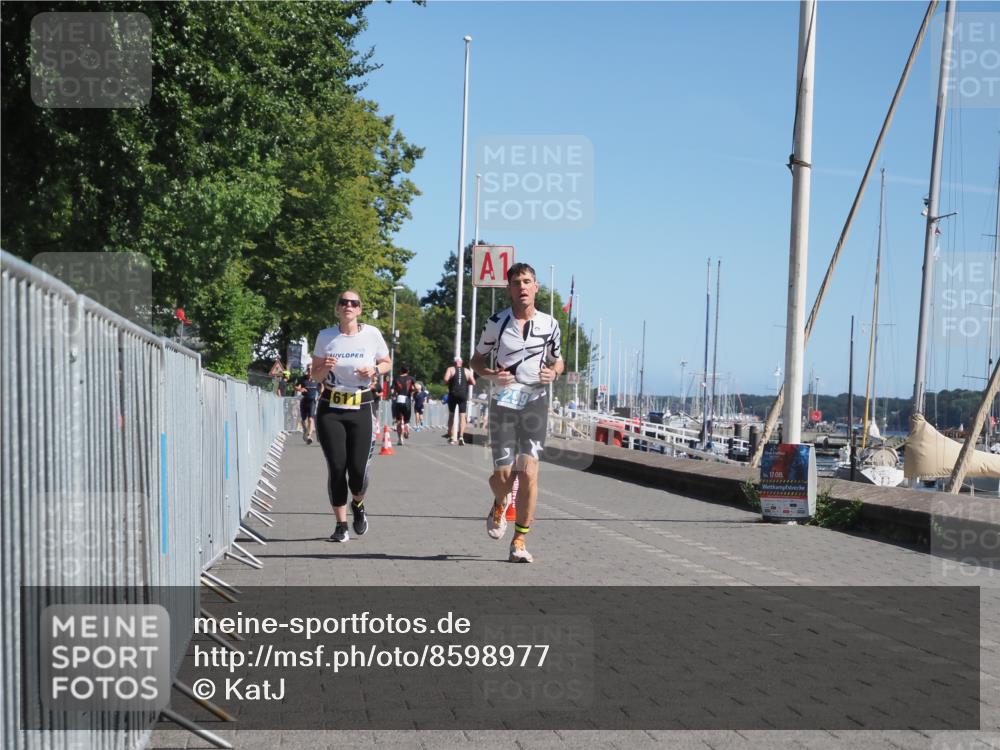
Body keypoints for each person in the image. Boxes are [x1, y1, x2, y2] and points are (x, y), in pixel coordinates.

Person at [470, 262, 564, 563]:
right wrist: (491, 375)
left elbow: (557, 361)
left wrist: (554, 373)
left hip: (535, 402)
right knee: (504, 476)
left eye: (527, 281)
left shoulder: (550, 325)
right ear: (509, 289)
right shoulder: (496, 323)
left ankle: (519, 540)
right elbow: (476, 361)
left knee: (530, 474)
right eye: (516, 282)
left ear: (536, 287)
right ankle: (500, 502)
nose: (522, 287)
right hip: (504, 403)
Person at [311, 290, 391, 543]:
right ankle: (340, 525)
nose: (348, 306)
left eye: (353, 303)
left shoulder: (372, 334)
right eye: (343, 302)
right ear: (337, 308)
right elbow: (315, 376)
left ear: (359, 309)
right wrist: (325, 367)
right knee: (337, 468)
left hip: (361, 407)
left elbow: (387, 362)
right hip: (330, 408)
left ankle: (358, 503)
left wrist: (375, 368)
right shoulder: (326, 336)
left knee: (357, 471)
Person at [444, 356, 476, 445]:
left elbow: (446, 379)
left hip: (453, 394)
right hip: (463, 395)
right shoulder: (467, 371)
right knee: (462, 416)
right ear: (461, 362)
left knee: (451, 415)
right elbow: (473, 382)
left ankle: (451, 437)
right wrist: (466, 382)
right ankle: (461, 437)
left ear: (454, 362)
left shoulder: (450, 369)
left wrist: (451, 382)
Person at [294, 364, 320, 444]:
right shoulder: (302, 378)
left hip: (312, 401)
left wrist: (320, 394)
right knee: (303, 420)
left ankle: (309, 435)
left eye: (311, 369)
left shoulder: (317, 378)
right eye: (308, 369)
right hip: (304, 401)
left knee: (311, 419)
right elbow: (295, 386)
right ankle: (305, 431)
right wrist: (300, 389)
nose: (309, 371)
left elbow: (322, 386)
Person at [390, 366, 416, 446]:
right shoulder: (411, 378)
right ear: (408, 371)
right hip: (407, 400)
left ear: (400, 371)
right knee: (406, 420)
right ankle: (406, 426)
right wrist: (412, 391)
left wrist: (393, 395)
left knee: (398, 420)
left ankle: (400, 439)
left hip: (398, 399)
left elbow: (392, 390)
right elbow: (416, 388)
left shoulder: (396, 378)